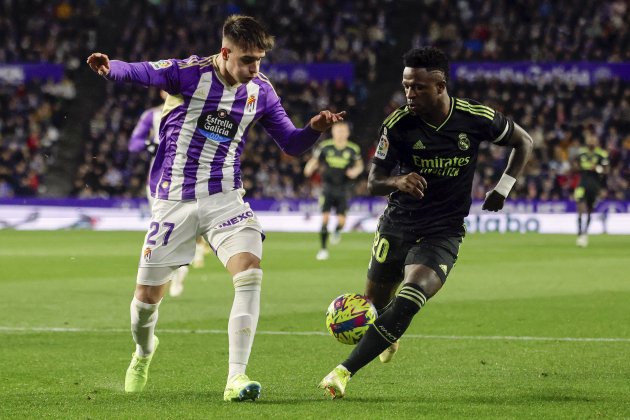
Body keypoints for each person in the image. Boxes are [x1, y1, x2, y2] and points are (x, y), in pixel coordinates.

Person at [87, 14, 344, 402]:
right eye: (247, 60)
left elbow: (290, 144)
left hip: (225, 198)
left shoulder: (261, 91)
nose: (254, 68)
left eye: (259, 59)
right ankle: (144, 351)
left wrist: (313, 130)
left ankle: (235, 379)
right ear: (225, 52)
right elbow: (144, 71)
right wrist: (112, 70)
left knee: (250, 272)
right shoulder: (189, 73)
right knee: (145, 302)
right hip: (173, 201)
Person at [318, 46, 533, 399]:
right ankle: (389, 333)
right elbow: (373, 182)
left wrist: (503, 188)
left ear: (440, 85)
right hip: (398, 224)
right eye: (406, 86)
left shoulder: (474, 117)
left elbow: (523, 142)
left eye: (418, 87)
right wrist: (398, 181)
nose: (410, 94)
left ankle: (342, 372)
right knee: (376, 304)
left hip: (443, 230)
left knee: (411, 296)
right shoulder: (398, 124)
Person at [129, 90, 210, 297]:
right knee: (165, 232)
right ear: (162, 91)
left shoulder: (200, 112)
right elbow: (134, 143)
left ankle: (181, 269)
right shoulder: (152, 115)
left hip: (192, 180)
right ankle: (169, 275)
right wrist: (150, 145)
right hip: (159, 183)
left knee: (185, 230)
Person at [304, 121, 364, 260]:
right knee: (325, 218)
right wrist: (309, 167)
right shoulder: (325, 147)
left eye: (343, 131)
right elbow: (315, 160)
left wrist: (355, 171)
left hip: (344, 188)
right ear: (333, 132)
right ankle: (323, 249)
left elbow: (359, 165)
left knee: (342, 221)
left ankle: (337, 230)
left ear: (348, 133)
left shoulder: (353, 149)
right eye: (338, 131)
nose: (341, 134)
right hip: (327, 187)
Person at [573, 126, 609, 247]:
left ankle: (585, 233)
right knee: (580, 207)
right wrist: (581, 168)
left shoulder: (602, 154)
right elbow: (575, 165)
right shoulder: (581, 152)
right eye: (589, 139)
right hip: (582, 183)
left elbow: (606, 170)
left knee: (589, 210)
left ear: (596, 142)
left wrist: (597, 169)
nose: (591, 142)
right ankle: (579, 232)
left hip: (594, 185)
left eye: (593, 140)